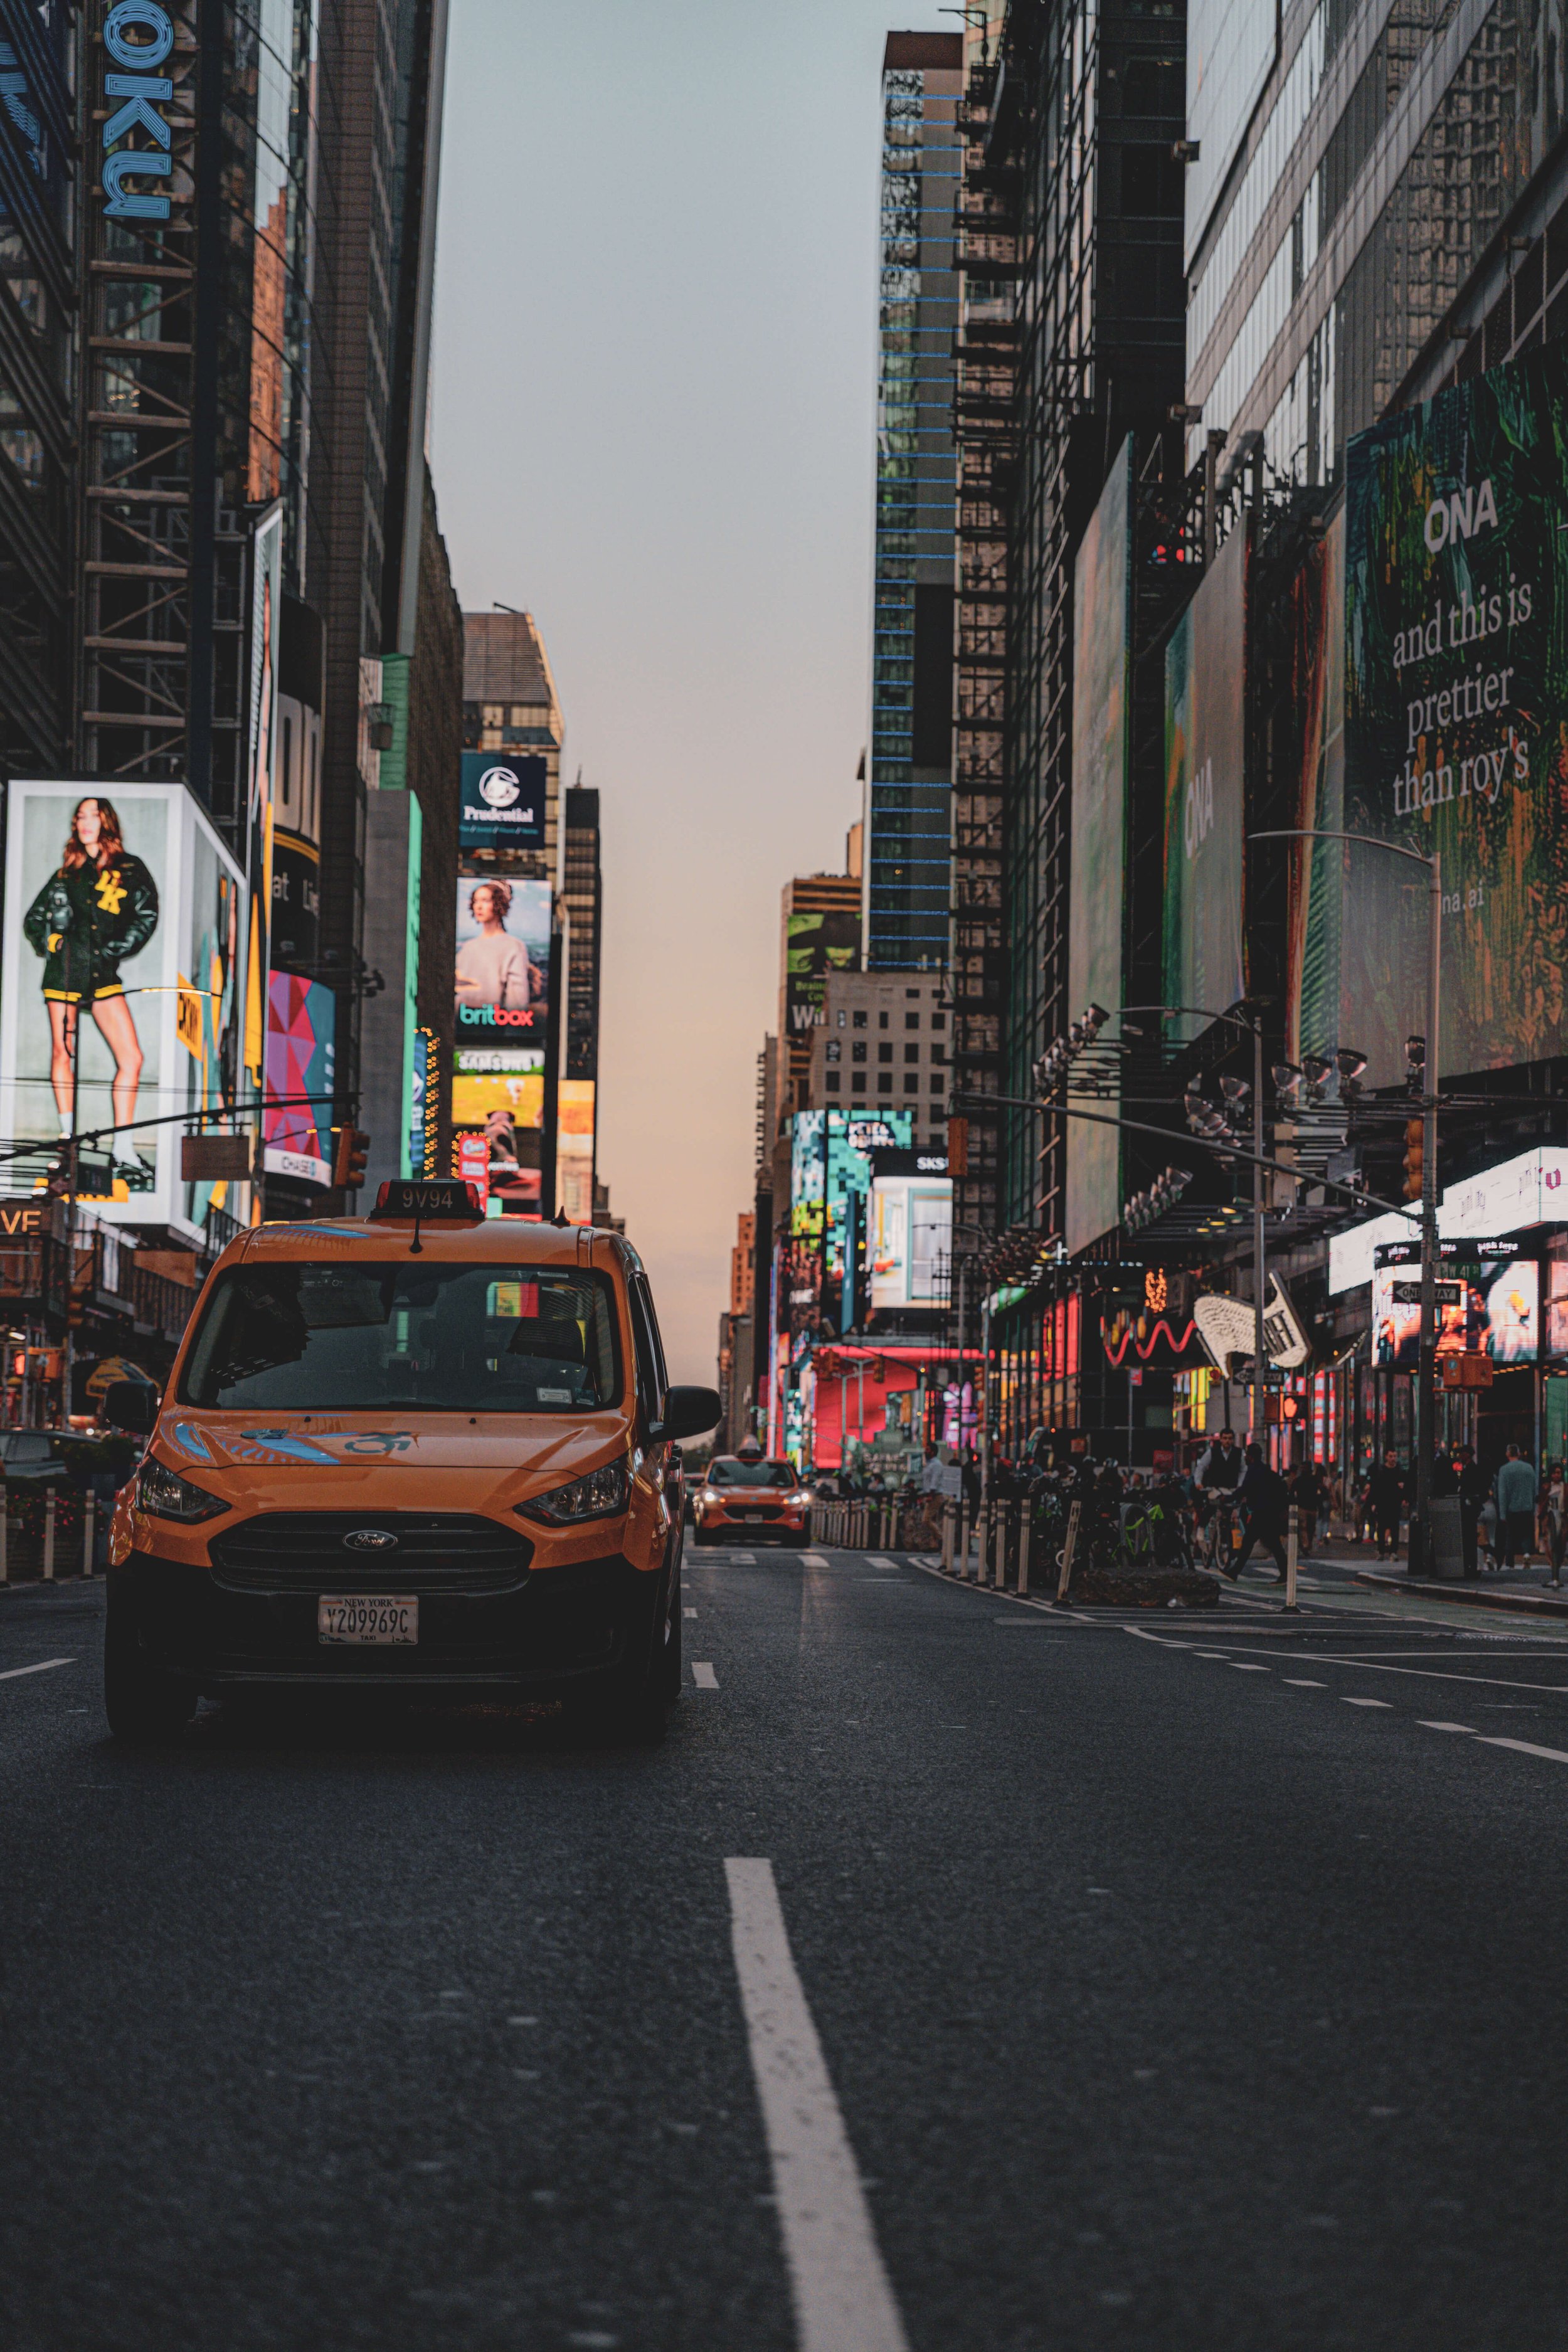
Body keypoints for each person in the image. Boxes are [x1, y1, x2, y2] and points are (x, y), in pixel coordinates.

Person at [24, 796, 159, 1193]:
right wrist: (52, 941)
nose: (85, 822)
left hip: (100, 972)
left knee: (131, 1057)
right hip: (64, 973)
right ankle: (67, 1140)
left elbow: (146, 916)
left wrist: (112, 950)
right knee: (62, 1053)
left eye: (93, 815)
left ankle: (125, 1147)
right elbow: (34, 918)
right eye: (80, 816)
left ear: (107, 821)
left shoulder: (129, 869)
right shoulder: (68, 872)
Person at [455, 879, 536, 1010]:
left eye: (486, 900)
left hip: (494, 1023)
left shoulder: (513, 946)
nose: (479, 906)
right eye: (476, 901)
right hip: (459, 1021)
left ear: (499, 904)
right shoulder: (468, 947)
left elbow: (517, 1002)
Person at [1230, 1443, 1289, 1582]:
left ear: (1250, 1457)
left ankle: (1235, 1571)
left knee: (1249, 1542)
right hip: (1270, 1511)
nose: (1245, 1457)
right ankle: (1285, 1574)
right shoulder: (1266, 1471)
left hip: (1262, 1512)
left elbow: (1246, 1489)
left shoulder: (1254, 1471)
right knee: (1274, 1545)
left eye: (1246, 1455)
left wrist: (1230, 1497)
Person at [1495, 1444, 1538, 1571]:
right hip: (1526, 1506)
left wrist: (1502, 1513)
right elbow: (1533, 1489)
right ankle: (1526, 1554)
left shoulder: (1504, 1470)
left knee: (1511, 1535)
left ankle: (1510, 1562)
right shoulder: (1529, 1468)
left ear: (1508, 1454)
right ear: (1519, 1454)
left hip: (1511, 1508)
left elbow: (1502, 1493)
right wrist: (1533, 1506)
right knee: (1526, 1533)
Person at [1367, 1449, 1406, 1562]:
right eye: (1391, 1456)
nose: (1393, 1459)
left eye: (1394, 1456)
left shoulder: (1399, 1471)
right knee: (1382, 1528)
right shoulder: (1382, 1471)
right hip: (1383, 1503)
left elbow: (1404, 1486)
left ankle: (1393, 1551)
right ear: (1386, 1457)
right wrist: (1374, 1503)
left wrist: (1403, 1497)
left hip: (1394, 1503)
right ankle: (1382, 1551)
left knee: (1394, 1528)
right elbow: (1376, 1488)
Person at [1455, 1444, 1488, 1579]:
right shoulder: (1468, 1468)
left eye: (1461, 1454)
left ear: (1467, 1455)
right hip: (1470, 1507)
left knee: (1469, 1537)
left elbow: (1470, 1488)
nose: (1459, 1456)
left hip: (1469, 1508)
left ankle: (1471, 1566)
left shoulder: (1471, 1469)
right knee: (1469, 1537)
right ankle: (1470, 1566)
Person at [1540, 1460, 1567, 1587]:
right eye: (1555, 1473)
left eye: (1559, 1473)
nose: (1557, 1475)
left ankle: (1556, 1577)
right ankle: (1554, 1576)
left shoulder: (1565, 1488)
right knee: (1552, 1548)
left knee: (1560, 1548)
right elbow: (1542, 1503)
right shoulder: (1547, 1487)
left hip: (1561, 1519)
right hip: (1550, 1519)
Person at [1291, 1457, 1324, 1555]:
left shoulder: (1306, 1480)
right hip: (1305, 1507)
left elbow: (1319, 1494)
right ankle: (1306, 1545)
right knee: (1304, 1527)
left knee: (1309, 1528)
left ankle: (1307, 1544)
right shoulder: (1306, 1480)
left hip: (1309, 1506)